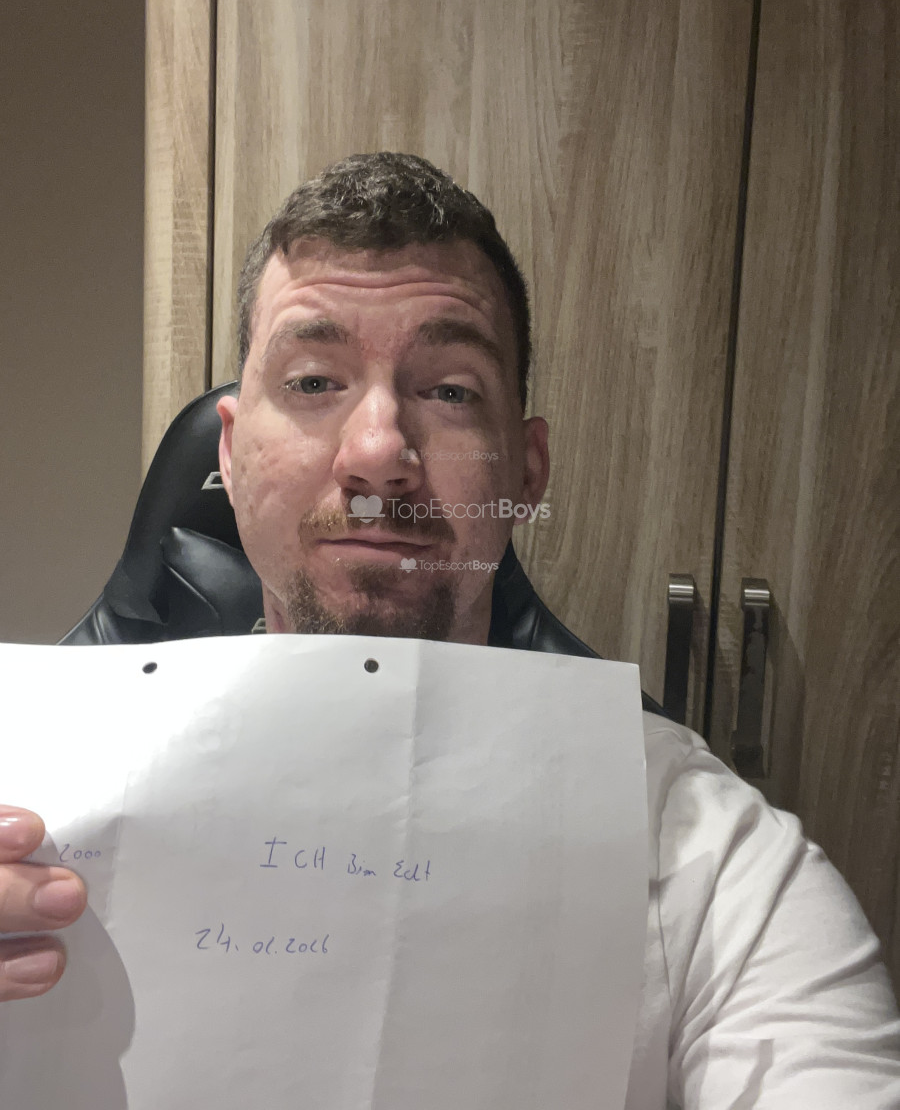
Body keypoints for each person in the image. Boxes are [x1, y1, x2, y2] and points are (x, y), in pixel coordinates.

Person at [2, 153, 898, 1107]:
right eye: (313, 380)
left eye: (451, 392)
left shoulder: (709, 863)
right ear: (230, 450)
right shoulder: (27, 802)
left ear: (527, 469)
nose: (379, 452)